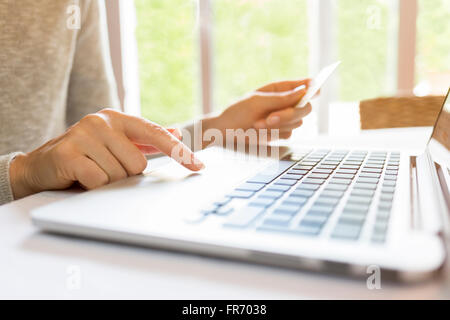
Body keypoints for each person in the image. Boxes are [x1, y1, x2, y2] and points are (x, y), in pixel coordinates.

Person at [0, 0, 312, 205]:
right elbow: (47, 162)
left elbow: (107, 148)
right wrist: (22, 174)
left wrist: (215, 129)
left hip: (49, 234)